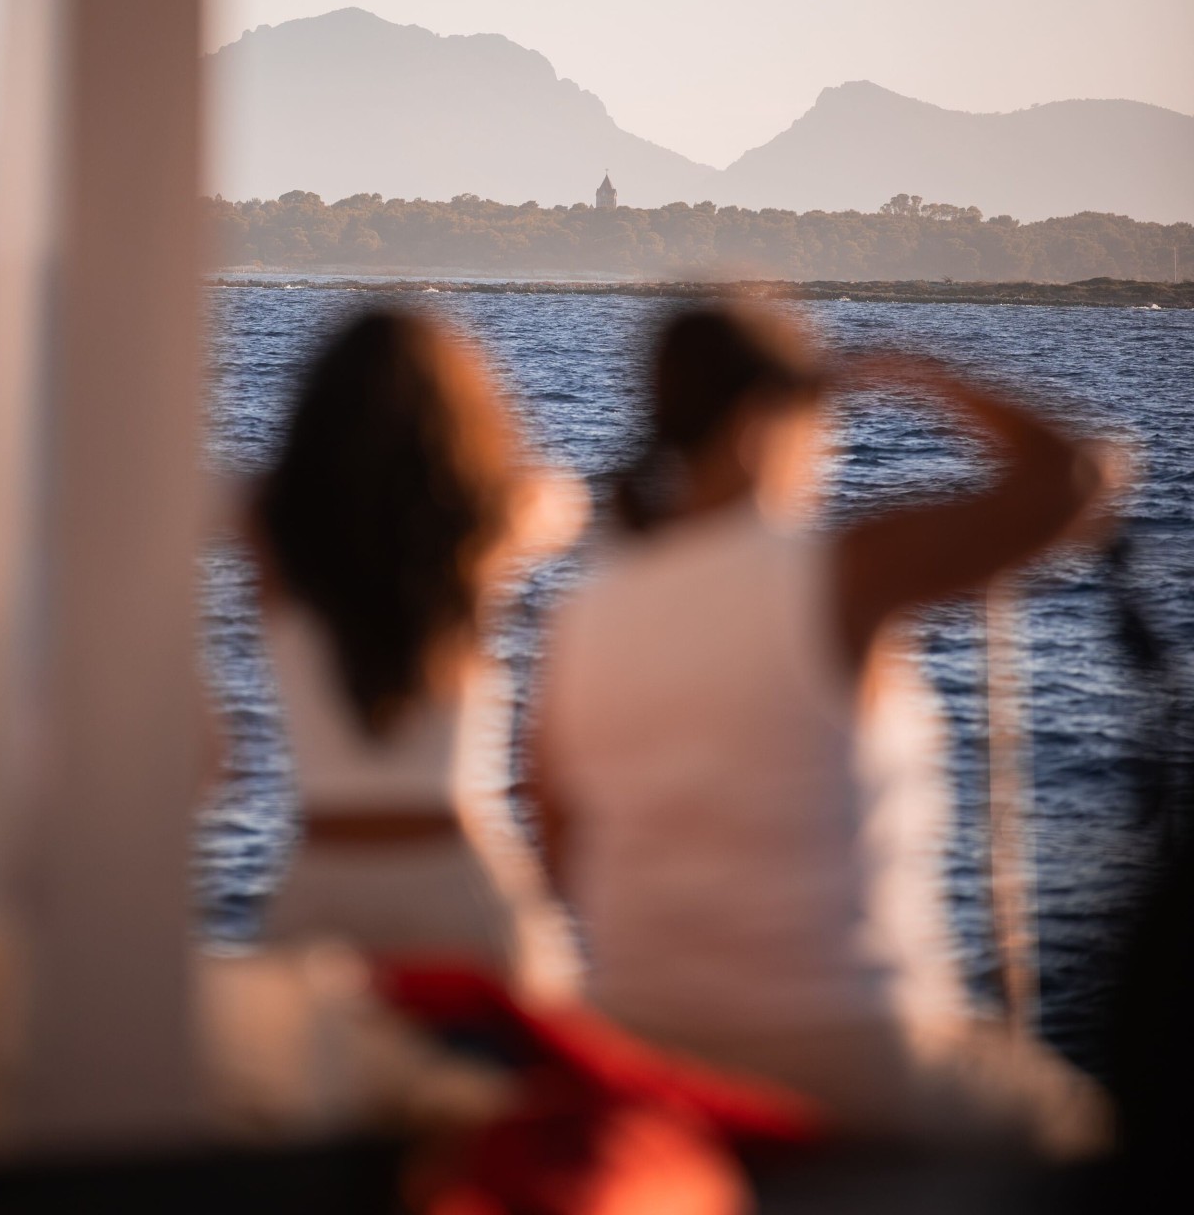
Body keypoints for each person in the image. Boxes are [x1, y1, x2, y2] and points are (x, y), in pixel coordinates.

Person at [527, 303, 1117, 1158]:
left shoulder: (580, 610)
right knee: (1081, 1128)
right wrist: (910, 371)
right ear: (764, 422)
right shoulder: (839, 569)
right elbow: (1077, 476)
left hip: (642, 1045)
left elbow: (554, 837)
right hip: (853, 1054)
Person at [249, 307, 582, 992]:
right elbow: (562, 497)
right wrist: (462, 467)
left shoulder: (278, 542)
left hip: (319, 879)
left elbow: (210, 500)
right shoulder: (483, 534)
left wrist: (310, 484)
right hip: (459, 876)